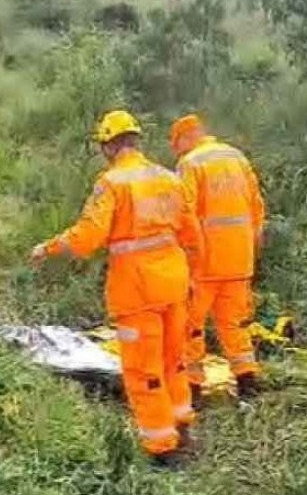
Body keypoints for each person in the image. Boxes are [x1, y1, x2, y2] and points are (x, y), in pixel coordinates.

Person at [31, 110, 203, 467]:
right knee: (174, 360)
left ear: (109, 146)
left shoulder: (112, 183)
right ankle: (182, 425)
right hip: (174, 283)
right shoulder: (169, 178)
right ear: (136, 140)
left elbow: (87, 237)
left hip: (137, 291)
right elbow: (192, 235)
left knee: (143, 369)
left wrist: (48, 248)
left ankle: (162, 449)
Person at [169, 114, 266, 404]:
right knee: (234, 323)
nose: (178, 151)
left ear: (185, 138)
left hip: (205, 262)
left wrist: (181, 256)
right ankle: (248, 381)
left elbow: (184, 214)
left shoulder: (190, 164)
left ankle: (193, 387)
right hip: (239, 259)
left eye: (177, 145)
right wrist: (253, 249)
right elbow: (258, 209)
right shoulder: (237, 157)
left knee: (191, 325)